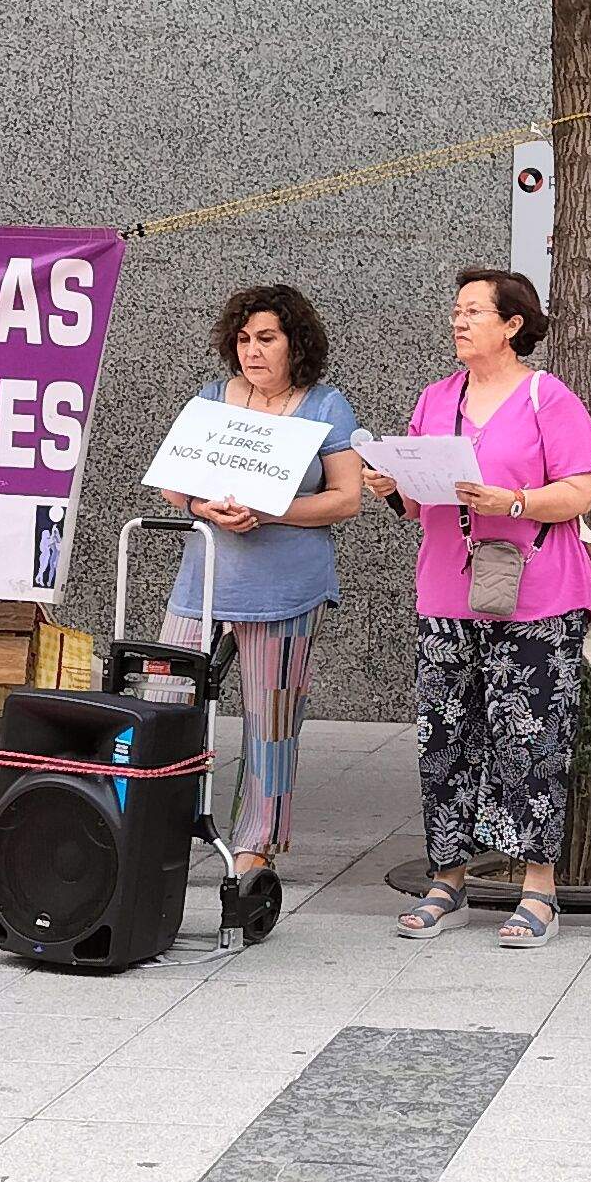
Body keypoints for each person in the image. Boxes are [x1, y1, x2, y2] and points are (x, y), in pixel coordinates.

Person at [363, 269, 591, 950]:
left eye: (473, 311)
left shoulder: (545, 398)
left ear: (512, 324)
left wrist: (512, 502)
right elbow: (415, 504)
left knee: (532, 740)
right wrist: (390, 484)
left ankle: (539, 890)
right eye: (456, 311)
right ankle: (448, 879)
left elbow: (579, 492)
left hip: (537, 595)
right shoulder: (435, 400)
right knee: (445, 736)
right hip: (447, 590)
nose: (458, 322)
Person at [154, 284, 367, 914]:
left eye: (267, 338)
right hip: (205, 582)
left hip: (285, 588)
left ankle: (255, 849)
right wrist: (201, 506)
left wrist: (275, 509)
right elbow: (171, 479)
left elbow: (346, 498)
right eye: (245, 339)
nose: (252, 350)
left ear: (294, 342)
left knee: (271, 721)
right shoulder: (212, 397)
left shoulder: (326, 405)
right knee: (164, 705)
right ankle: (154, 822)